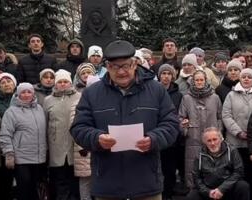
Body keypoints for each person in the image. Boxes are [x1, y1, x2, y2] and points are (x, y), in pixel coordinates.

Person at [70, 40, 180, 200]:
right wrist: (97, 138)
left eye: (126, 65)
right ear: (107, 67)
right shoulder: (92, 93)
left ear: (135, 64)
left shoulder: (156, 91)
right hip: (107, 184)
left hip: (146, 183)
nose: (121, 72)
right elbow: (78, 128)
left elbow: (171, 124)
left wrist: (154, 139)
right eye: (115, 66)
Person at [0, 83, 47, 200]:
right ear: (18, 95)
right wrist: (9, 153)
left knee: (35, 190)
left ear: (33, 93)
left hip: (39, 158)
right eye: (23, 92)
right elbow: (5, 134)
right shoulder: (11, 112)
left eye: (29, 92)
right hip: (21, 158)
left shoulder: (39, 109)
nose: (26, 95)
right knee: (24, 189)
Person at [222, 68, 252, 192]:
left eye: (249, 77)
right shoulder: (231, 95)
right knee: (236, 171)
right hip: (235, 141)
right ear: (240, 78)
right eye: (244, 76)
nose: (246, 79)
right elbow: (226, 115)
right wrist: (238, 132)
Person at [179, 70, 222, 188]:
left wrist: (219, 133)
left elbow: (220, 117)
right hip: (193, 137)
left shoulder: (215, 98)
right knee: (192, 166)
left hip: (212, 138)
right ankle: (193, 190)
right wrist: (185, 125)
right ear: (193, 81)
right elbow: (181, 117)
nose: (199, 82)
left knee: (213, 167)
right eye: (196, 80)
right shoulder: (186, 98)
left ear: (205, 81)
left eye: (201, 80)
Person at [186, 127, 250, 200]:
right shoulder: (199, 155)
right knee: (192, 196)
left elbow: (238, 172)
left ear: (221, 139)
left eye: (215, 139)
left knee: (243, 186)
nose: (212, 143)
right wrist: (208, 192)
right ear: (204, 142)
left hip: (227, 188)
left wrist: (221, 189)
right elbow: (196, 178)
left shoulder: (232, 151)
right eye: (209, 141)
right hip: (209, 190)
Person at [45, 69, 81, 200]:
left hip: (75, 146)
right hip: (56, 146)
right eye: (60, 82)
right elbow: (45, 123)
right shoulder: (48, 100)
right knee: (59, 180)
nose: (63, 84)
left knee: (74, 181)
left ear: (70, 83)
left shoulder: (79, 97)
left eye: (66, 81)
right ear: (55, 84)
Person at [157, 64, 185, 200]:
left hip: (173, 138)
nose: (166, 76)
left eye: (169, 73)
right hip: (156, 135)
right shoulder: (154, 91)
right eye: (163, 73)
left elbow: (181, 114)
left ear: (173, 76)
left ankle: (168, 194)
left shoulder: (178, 95)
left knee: (170, 170)